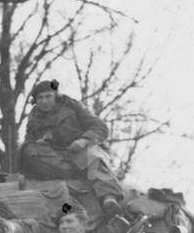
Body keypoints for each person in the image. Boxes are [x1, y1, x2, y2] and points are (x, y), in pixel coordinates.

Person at [19, 80, 124, 216]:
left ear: (56, 96)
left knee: (92, 155)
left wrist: (84, 140)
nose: (44, 101)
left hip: (80, 151)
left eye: (48, 96)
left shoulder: (72, 107)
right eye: (40, 98)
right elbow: (28, 144)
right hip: (55, 160)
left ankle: (109, 199)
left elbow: (100, 127)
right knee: (28, 151)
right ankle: (79, 174)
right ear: (35, 100)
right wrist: (39, 144)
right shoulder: (34, 118)